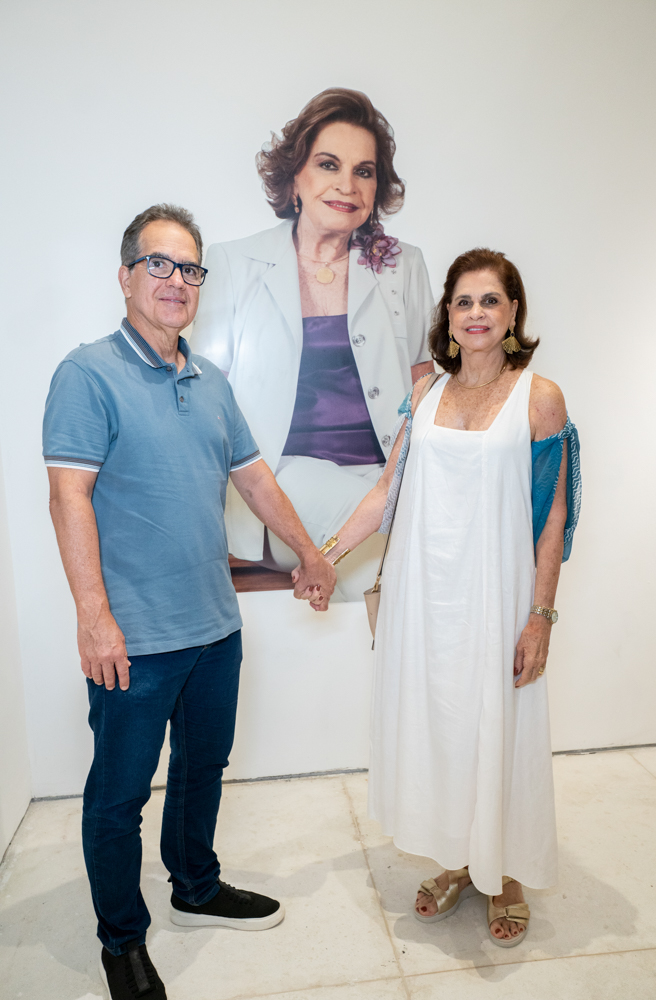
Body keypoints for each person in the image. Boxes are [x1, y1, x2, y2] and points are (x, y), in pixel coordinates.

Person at [43, 204, 336, 1000]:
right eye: (159, 264)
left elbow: (255, 479)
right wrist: (94, 619)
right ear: (126, 276)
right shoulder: (86, 374)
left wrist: (310, 553)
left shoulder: (210, 381)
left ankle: (196, 888)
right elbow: (68, 499)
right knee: (118, 798)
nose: (176, 280)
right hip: (133, 640)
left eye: (189, 268)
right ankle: (121, 940)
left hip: (214, 627)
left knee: (203, 767)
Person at [311, 248, 581, 946]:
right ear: (448, 316)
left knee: (500, 730)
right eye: (463, 301)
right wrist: (323, 556)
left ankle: (505, 874)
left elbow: (551, 516)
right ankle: (460, 862)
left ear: (513, 312)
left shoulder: (539, 397)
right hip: (424, 601)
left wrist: (541, 618)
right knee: (444, 730)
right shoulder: (426, 393)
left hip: (499, 599)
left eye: (490, 300)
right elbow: (386, 492)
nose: (475, 313)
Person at [191, 88, 434, 600]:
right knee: (414, 540)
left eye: (364, 171)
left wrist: (396, 483)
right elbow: (207, 408)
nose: (347, 185)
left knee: (399, 524)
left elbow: (423, 388)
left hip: (385, 478)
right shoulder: (235, 264)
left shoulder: (402, 265)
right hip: (283, 484)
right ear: (294, 176)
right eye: (328, 164)